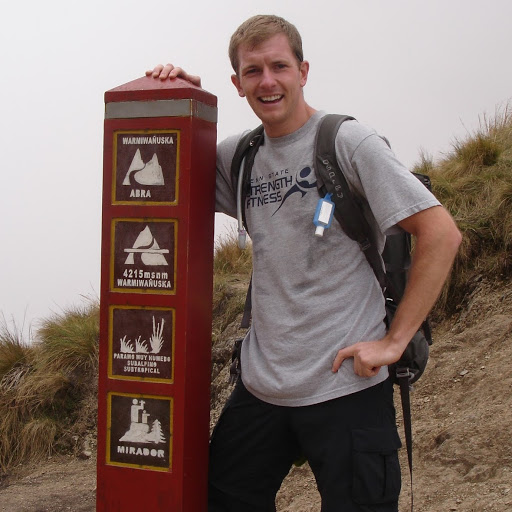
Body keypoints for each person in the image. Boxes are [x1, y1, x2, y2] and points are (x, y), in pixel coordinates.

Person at [148, 14, 461, 512]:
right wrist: (182, 99)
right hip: (261, 387)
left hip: (346, 384)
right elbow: (161, 168)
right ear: (237, 84)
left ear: (303, 71)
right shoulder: (239, 157)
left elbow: (441, 232)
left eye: (279, 66)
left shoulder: (347, 142)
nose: (267, 82)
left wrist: (394, 341)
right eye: (253, 71)